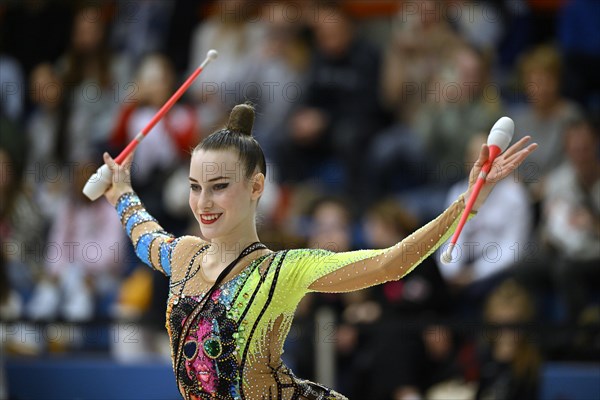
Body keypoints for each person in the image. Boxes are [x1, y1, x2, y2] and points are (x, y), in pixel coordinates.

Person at [101, 103, 536, 399]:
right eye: (195, 188)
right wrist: (122, 191)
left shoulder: (283, 270)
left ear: (256, 187)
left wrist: (469, 202)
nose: (204, 203)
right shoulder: (184, 256)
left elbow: (391, 262)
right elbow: (145, 236)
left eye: (219, 187)